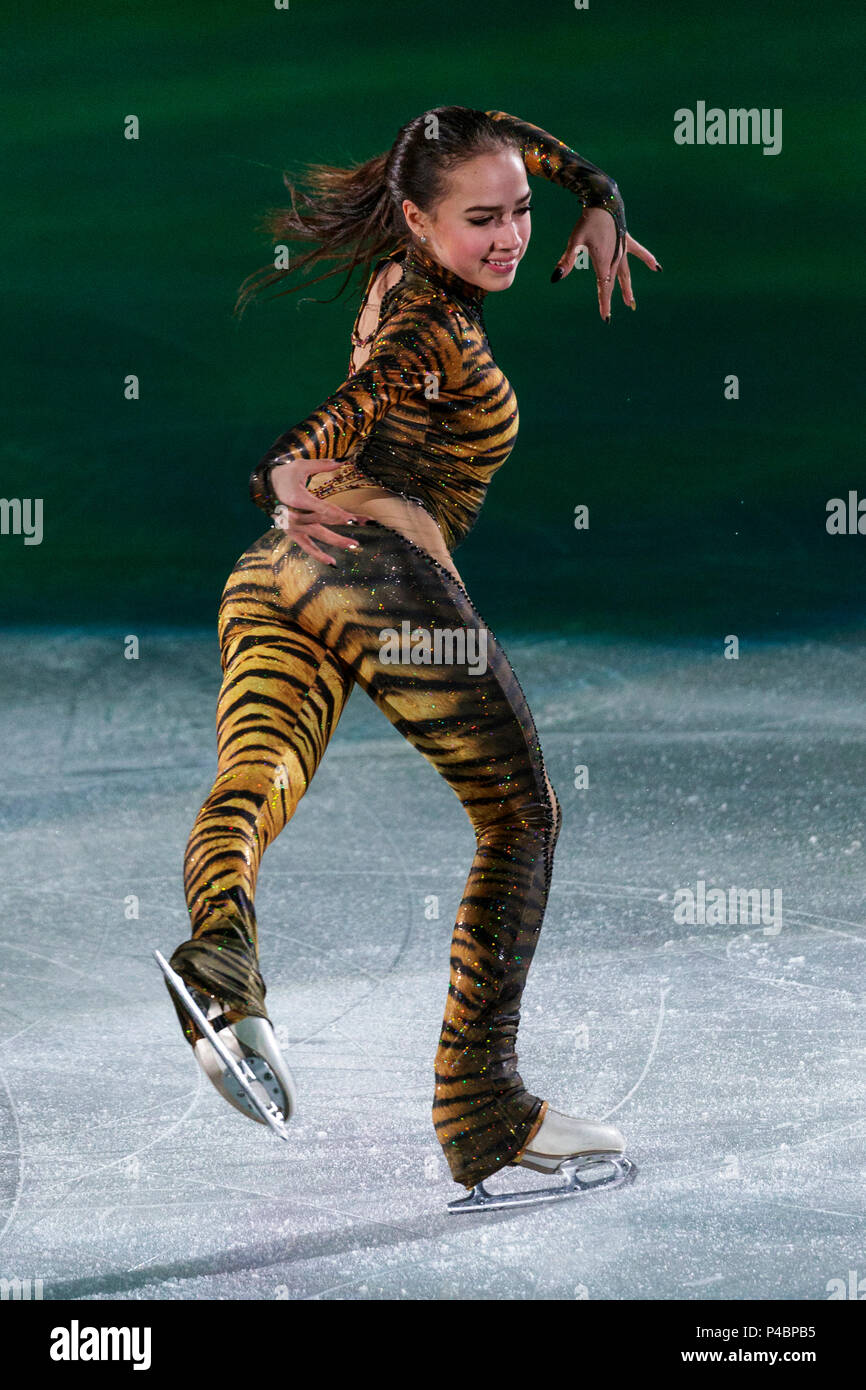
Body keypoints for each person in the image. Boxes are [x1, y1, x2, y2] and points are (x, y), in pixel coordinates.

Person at [161, 106, 660, 1201]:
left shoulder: (401, 267)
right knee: (520, 812)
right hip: (369, 568)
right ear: (418, 220)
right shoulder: (423, 325)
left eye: (519, 211)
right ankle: (480, 1103)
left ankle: (220, 965)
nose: (510, 238)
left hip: (275, 575)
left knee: (256, 778)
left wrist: (597, 194)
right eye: (480, 219)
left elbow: (515, 136)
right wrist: (283, 467)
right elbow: (352, 408)